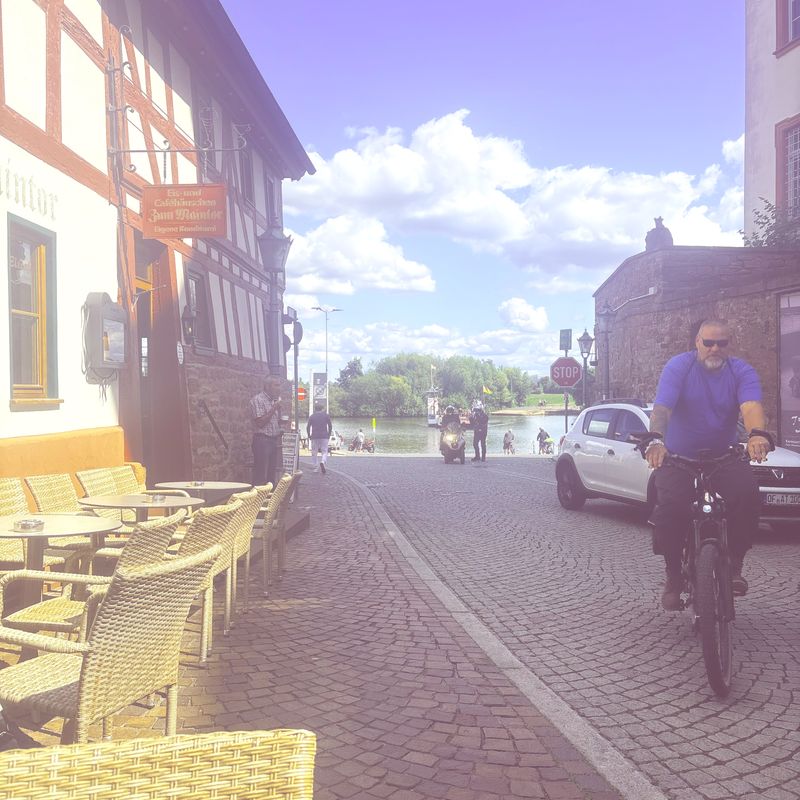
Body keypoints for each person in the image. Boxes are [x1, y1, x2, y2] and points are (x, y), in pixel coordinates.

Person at [646, 319, 771, 611]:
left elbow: (751, 406)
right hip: (678, 457)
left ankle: (736, 562)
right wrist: (655, 441)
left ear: (730, 345)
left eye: (722, 343)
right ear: (697, 343)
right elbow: (663, 408)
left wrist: (757, 435)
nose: (715, 349)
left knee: (747, 497)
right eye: (708, 343)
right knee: (671, 510)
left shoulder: (741, 371)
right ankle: (674, 575)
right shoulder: (679, 367)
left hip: (723, 457)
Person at [250, 375, 284, 488]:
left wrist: (280, 426)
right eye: (276, 385)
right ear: (268, 386)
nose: (279, 388)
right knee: (261, 475)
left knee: (271, 476)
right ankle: (257, 502)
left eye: (280, 385)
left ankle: (270, 502)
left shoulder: (272, 401)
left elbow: (272, 422)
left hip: (273, 440)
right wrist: (274, 408)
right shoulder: (258, 400)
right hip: (262, 441)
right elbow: (260, 423)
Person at [306, 402, 333, 474]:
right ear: (322, 408)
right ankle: (323, 461)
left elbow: (308, 427)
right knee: (324, 451)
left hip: (314, 436)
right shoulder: (326, 416)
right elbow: (330, 426)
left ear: (315, 409)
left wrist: (309, 435)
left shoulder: (312, 416)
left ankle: (315, 467)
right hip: (324, 436)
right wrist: (329, 434)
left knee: (314, 452)